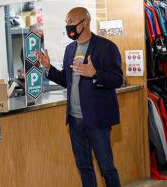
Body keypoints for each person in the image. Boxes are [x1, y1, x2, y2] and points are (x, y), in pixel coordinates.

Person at [37, 7, 123, 187]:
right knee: (84, 167)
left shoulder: (106, 47)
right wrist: (48, 68)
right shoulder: (70, 49)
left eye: (72, 22)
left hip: (97, 120)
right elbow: (66, 80)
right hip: (75, 120)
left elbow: (117, 79)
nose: (69, 26)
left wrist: (95, 74)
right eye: (66, 22)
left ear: (85, 22)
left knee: (107, 168)